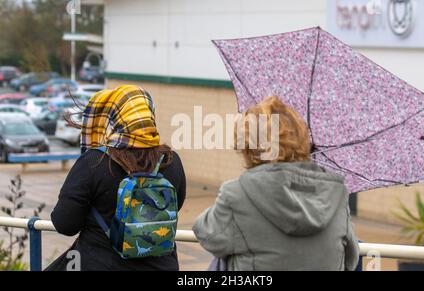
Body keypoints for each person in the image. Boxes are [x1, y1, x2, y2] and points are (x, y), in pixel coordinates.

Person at [193, 96, 359, 271]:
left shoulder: (236, 194)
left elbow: (208, 236)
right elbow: (351, 259)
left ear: (248, 147)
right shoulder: (336, 193)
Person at [49, 85, 186, 271]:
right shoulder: (171, 161)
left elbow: (64, 223)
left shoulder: (93, 161)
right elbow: (174, 207)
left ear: (115, 119)